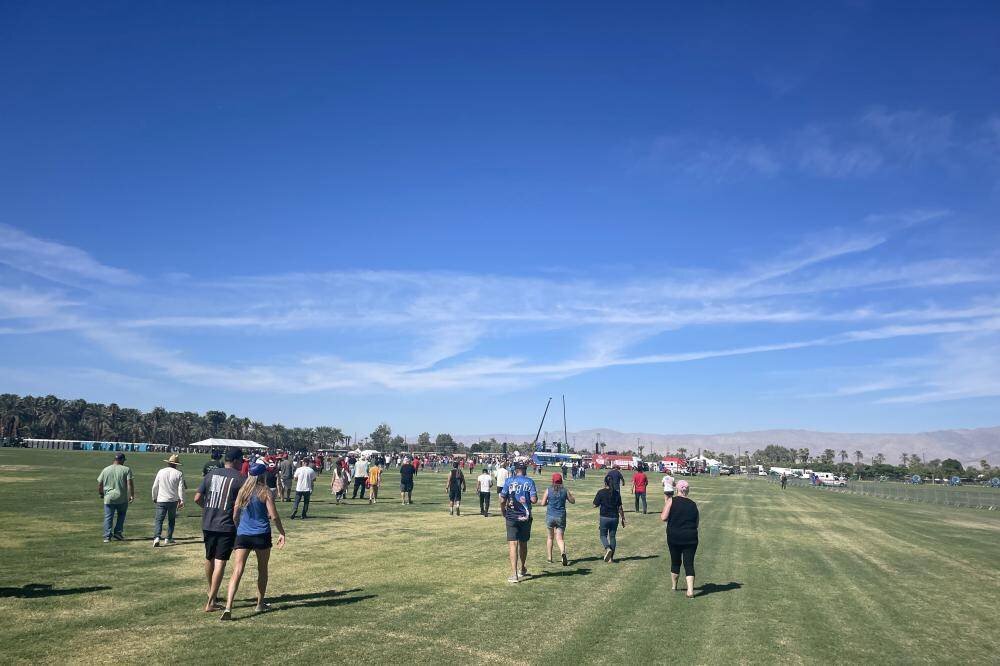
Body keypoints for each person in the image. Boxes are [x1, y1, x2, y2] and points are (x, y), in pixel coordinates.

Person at [220, 459, 287, 621]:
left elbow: (235, 513)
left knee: (237, 570)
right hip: (261, 534)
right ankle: (260, 603)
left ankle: (228, 606)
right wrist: (282, 532)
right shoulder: (265, 491)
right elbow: (274, 516)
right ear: (263, 474)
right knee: (262, 569)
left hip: (243, 534)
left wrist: (238, 529)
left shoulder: (243, 491)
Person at [194, 448, 245, 612]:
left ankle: (212, 592)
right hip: (226, 524)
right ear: (236, 461)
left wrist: (207, 509)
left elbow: (197, 498)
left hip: (208, 522)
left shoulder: (211, 474)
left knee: (209, 557)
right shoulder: (240, 478)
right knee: (220, 561)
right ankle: (210, 602)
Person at [499, 462, 538, 583]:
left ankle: (514, 574)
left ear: (515, 470)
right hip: (525, 516)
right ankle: (522, 568)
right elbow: (534, 500)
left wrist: (503, 511)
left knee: (513, 544)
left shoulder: (509, 481)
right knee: (523, 543)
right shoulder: (530, 482)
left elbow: (502, 498)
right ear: (524, 470)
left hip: (511, 516)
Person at [661, 479, 699, 598]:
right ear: (688, 490)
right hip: (691, 537)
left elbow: (663, 517)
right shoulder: (693, 504)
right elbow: (696, 523)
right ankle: (690, 591)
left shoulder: (671, 501)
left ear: (677, 489)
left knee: (675, 561)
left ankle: (674, 586)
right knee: (689, 563)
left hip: (674, 536)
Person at [97, 452, 134, 542]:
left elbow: (100, 484)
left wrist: (101, 493)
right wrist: (131, 495)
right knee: (121, 516)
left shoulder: (106, 469)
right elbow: (130, 484)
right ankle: (118, 532)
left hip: (109, 497)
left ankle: (107, 536)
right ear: (121, 460)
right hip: (121, 497)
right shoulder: (126, 469)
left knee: (108, 517)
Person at [150, 454, 186, 547]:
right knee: (171, 520)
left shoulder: (161, 471)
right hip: (173, 500)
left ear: (168, 463)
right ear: (176, 464)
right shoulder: (179, 473)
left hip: (161, 499)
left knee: (159, 520)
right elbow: (181, 488)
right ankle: (168, 538)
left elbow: (155, 486)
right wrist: (181, 500)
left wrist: (154, 497)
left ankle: (157, 537)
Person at [541, 473, 575, 566]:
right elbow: (573, 501)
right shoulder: (565, 490)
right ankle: (563, 553)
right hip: (561, 516)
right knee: (560, 538)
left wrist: (549, 501)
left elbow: (542, 503)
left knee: (550, 537)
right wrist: (570, 497)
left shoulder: (548, 490)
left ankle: (549, 557)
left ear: (552, 481)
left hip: (550, 516)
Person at [593, 475, 625, 563]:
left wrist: (597, 504)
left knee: (603, 535)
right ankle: (611, 558)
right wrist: (623, 518)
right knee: (612, 537)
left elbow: (594, 505)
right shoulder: (617, 493)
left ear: (605, 483)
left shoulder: (601, 492)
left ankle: (607, 548)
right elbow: (620, 507)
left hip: (604, 517)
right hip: (615, 517)